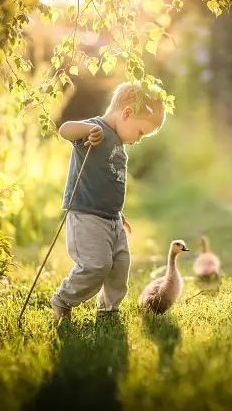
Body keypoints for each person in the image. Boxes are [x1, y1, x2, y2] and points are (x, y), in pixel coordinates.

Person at [49, 81, 166, 322]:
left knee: (120, 265)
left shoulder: (119, 144)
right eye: (141, 132)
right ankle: (63, 299)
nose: (139, 139)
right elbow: (65, 129)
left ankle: (108, 309)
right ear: (127, 113)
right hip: (87, 215)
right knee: (97, 265)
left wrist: (118, 213)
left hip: (111, 218)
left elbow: (110, 181)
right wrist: (86, 131)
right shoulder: (95, 129)